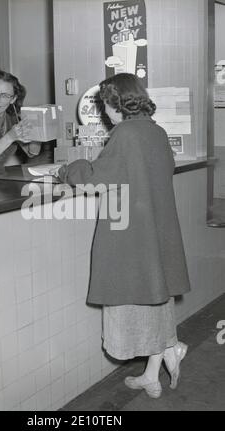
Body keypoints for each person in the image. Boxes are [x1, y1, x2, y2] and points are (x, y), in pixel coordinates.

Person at [55, 73, 190, 399]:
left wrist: (66, 170)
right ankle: (153, 370)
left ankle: (171, 347)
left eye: (105, 104)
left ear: (119, 102)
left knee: (137, 304)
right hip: (156, 232)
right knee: (156, 299)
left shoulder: (126, 134)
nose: (104, 111)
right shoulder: (155, 131)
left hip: (132, 237)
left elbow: (95, 180)